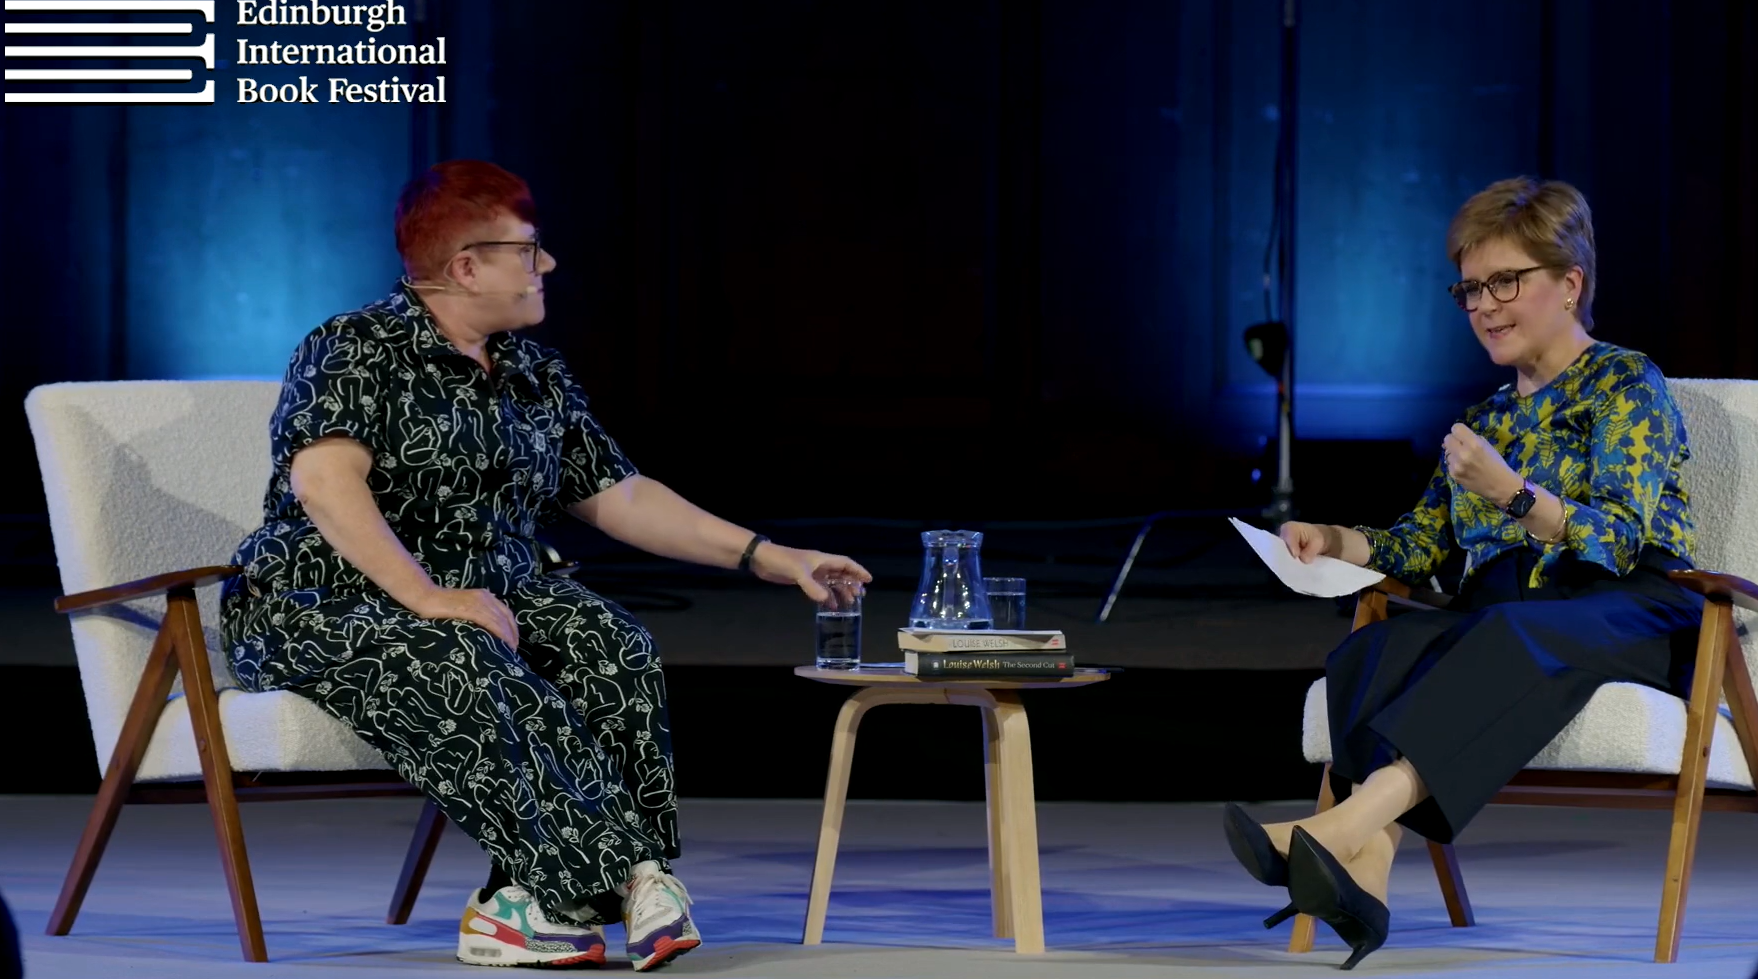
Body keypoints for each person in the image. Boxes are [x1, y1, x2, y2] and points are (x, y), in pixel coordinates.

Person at [220, 160, 871, 970]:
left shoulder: (532, 371)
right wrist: (426, 595)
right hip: (318, 603)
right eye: (528, 250)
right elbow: (324, 483)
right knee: (463, 647)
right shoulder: (352, 347)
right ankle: (628, 878)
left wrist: (767, 555)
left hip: (484, 592)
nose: (547, 266)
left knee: (610, 641)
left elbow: (621, 495)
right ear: (466, 266)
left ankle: (528, 901)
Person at [1220, 176, 1701, 970]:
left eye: (1505, 281)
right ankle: (1366, 881)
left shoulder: (1625, 383)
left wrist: (1513, 494)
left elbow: (1617, 538)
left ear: (1569, 283)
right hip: (1511, 608)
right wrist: (1331, 538)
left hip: (1629, 606)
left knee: (1508, 628)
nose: (1484, 304)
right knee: (1372, 650)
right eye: (1471, 287)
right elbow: (1420, 546)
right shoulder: (1482, 421)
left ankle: (1341, 828)